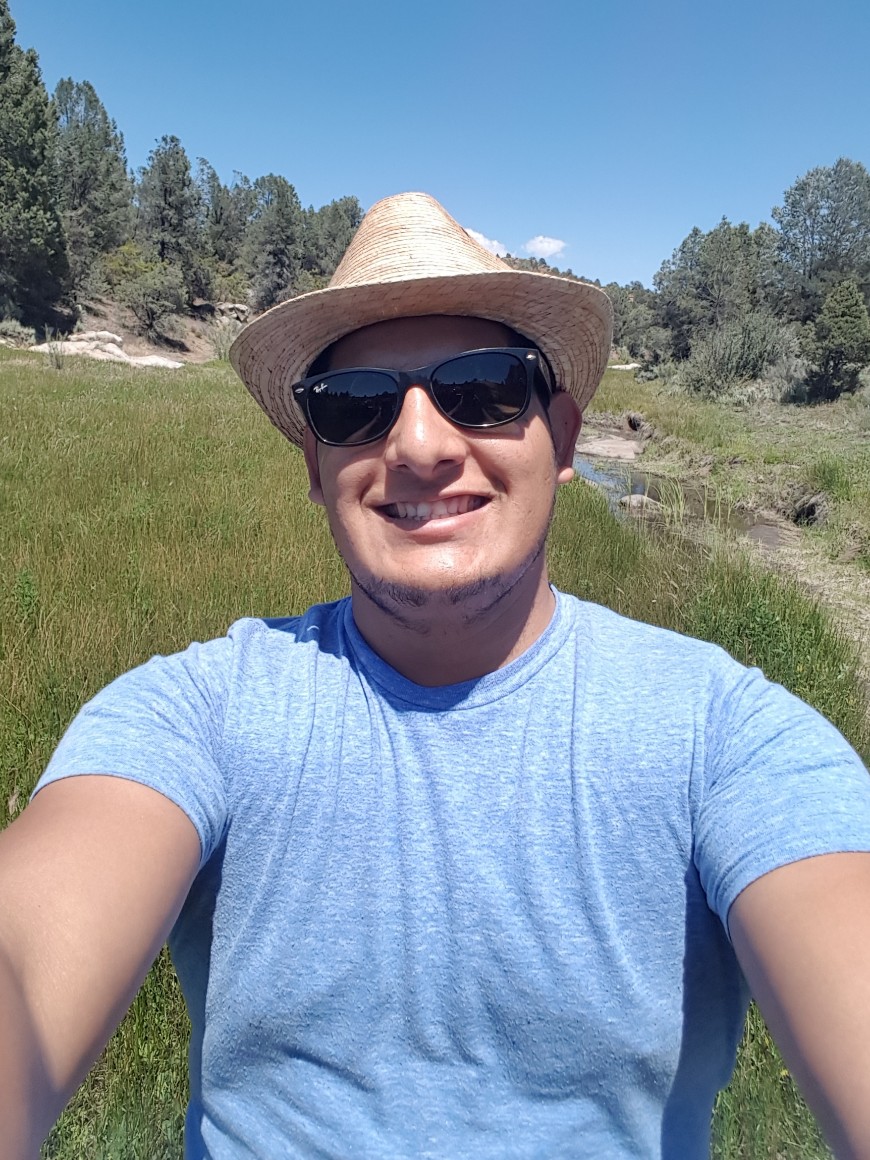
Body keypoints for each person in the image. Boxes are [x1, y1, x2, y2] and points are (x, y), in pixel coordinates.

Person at [1, 191, 870, 1160]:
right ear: (315, 462)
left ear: (565, 438)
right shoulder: (195, 714)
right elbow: (24, 959)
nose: (419, 444)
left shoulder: (727, 736)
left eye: (484, 388)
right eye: (355, 405)